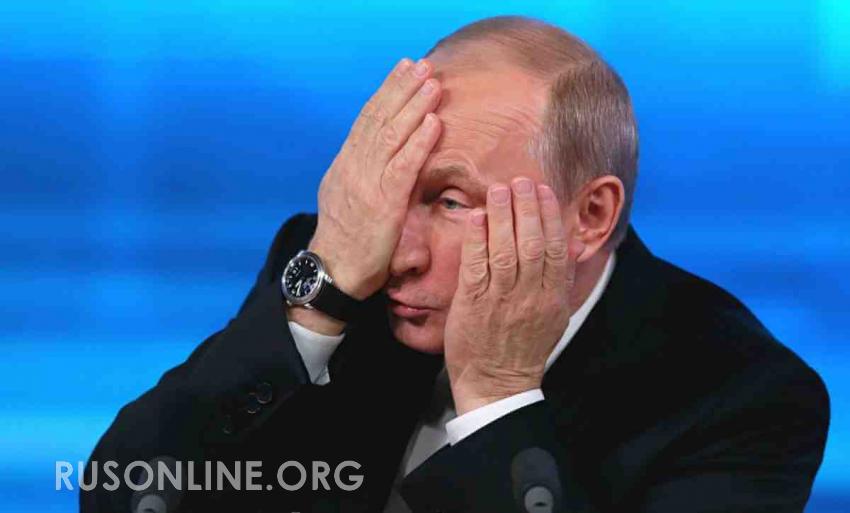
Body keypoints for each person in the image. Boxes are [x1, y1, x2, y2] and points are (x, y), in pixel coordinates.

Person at [81, 16, 829, 513]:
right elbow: (124, 494)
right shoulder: (343, 264)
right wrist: (319, 296)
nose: (399, 255)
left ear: (590, 216)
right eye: (392, 187)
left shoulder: (743, 396)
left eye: (448, 201)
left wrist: (497, 396)